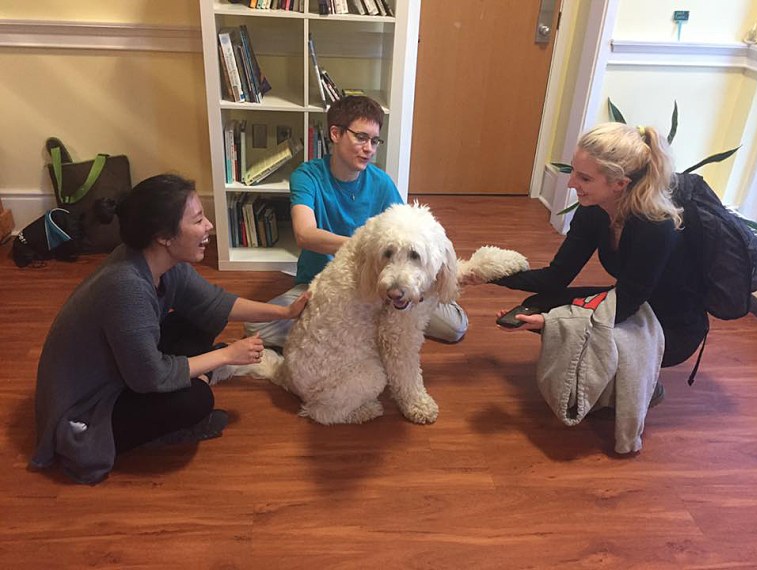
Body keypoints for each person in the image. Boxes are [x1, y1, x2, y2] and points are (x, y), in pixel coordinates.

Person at [29, 174, 309, 485]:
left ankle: (193, 374)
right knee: (197, 400)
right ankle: (158, 426)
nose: (209, 227)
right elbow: (150, 376)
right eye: (199, 220)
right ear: (164, 235)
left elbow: (215, 303)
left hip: (122, 367)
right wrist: (227, 356)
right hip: (87, 405)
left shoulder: (159, 261)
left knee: (200, 320)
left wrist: (285, 312)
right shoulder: (127, 287)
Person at [488, 122, 708, 396]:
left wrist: (555, 323)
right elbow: (556, 277)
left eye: (585, 178)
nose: (571, 183)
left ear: (620, 184)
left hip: (671, 325)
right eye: (573, 172)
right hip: (634, 301)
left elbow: (625, 306)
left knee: (552, 317)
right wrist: (490, 274)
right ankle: (609, 373)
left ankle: (643, 386)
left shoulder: (654, 226)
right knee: (538, 304)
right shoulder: (594, 212)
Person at [244, 95, 468, 346]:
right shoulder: (307, 176)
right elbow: (304, 234)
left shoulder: (381, 182)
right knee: (256, 327)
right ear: (335, 133)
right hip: (326, 282)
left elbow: (409, 237)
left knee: (455, 326)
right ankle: (366, 331)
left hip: (375, 280)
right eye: (361, 137)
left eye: (374, 141)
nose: (369, 148)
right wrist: (366, 244)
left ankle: (360, 330)